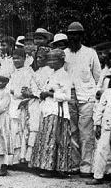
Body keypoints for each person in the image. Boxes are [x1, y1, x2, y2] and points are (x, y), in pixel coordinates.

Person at [29, 49, 78, 177]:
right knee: (48, 138)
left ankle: (55, 168)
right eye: (49, 59)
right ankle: (47, 166)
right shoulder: (52, 74)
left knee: (56, 139)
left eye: (53, 60)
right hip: (48, 109)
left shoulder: (64, 75)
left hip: (58, 111)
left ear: (61, 61)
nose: (50, 62)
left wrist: (50, 94)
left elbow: (67, 96)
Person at [64, 22, 101, 177]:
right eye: (70, 34)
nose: (73, 37)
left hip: (87, 97)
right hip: (69, 96)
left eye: (76, 34)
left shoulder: (90, 53)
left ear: (81, 35)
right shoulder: (64, 53)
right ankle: (74, 164)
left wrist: (96, 94)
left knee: (86, 133)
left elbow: (97, 76)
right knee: (72, 131)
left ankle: (86, 166)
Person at [8, 47, 38, 164]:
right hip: (12, 103)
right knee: (13, 131)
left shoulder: (28, 72)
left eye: (18, 58)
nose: (16, 61)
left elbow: (29, 90)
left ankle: (21, 158)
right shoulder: (14, 73)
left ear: (24, 59)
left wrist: (21, 96)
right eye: (14, 58)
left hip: (23, 103)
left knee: (21, 131)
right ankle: (12, 160)